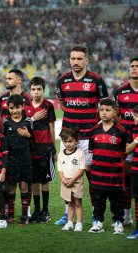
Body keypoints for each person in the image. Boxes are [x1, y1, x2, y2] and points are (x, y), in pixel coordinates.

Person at [55, 45, 109, 225]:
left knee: (91, 175)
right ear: (69, 60)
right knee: (67, 175)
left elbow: (104, 106)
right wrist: (73, 115)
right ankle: (66, 214)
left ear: (86, 60)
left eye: (79, 58)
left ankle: (96, 214)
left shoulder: (97, 81)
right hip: (68, 136)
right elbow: (62, 103)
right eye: (73, 59)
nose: (76, 62)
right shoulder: (62, 81)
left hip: (88, 136)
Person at [88, 99, 126, 235]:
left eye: (108, 110)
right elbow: (91, 152)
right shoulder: (93, 130)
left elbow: (123, 151)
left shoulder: (120, 130)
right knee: (98, 201)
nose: (104, 113)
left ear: (114, 112)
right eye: (102, 110)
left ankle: (118, 223)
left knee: (116, 201)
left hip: (114, 175)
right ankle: (98, 222)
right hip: (98, 174)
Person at [24, 77, 56, 223]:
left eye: (39, 89)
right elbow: (23, 125)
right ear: (30, 90)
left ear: (44, 90)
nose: (36, 92)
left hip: (45, 148)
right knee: (34, 181)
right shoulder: (25, 106)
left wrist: (53, 148)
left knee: (44, 180)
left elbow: (51, 127)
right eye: (33, 89)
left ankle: (46, 210)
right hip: (31, 148)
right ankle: (36, 210)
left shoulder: (48, 106)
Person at [113, 57, 138, 226]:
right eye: (132, 66)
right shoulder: (120, 92)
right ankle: (127, 216)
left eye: (137, 66)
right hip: (127, 143)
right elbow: (116, 117)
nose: (134, 69)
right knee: (126, 180)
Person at [3, 94, 33, 225]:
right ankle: (10, 215)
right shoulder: (5, 123)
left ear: (22, 107)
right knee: (11, 188)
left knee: (24, 186)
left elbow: (34, 141)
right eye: (11, 108)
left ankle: (25, 215)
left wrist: (28, 135)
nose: (14, 110)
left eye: (17, 107)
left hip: (25, 160)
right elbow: (2, 141)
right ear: (8, 108)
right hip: (11, 161)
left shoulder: (28, 122)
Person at [57, 128, 85, 232]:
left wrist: (73, 179)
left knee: (78, 203)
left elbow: (82, 169)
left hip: (76, 182)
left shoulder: (80, 153)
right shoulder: (61, 154)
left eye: (70, 141)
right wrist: (63, 179)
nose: (67, 144)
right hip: (66, 182)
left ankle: (79, 223)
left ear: (76, 141)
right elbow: (60, 169)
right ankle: (69, 223)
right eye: (65, 141)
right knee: (69, 203)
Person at [126, 105, 138, 239]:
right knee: (137, 199)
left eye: (135, 116)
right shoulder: (133, 130)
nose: (133, 118)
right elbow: (127, 149)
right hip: (135, 169)